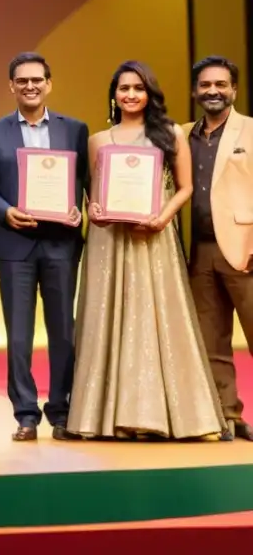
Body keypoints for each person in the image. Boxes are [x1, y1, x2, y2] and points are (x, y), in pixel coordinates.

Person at [67, 61, 227, 440]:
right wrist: (95, 211)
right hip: (108, 242)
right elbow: (94, 193)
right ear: (114, 94)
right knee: (109, 320)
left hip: (153, 238)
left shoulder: (169, 133)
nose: (131, 95)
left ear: (149, 93)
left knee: (154, 319)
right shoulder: (99, 140)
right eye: (123, 88)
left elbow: (185, 188)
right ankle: (107, 419)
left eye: (138, 88)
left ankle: (164, 417)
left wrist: (161, 218)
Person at [0, 53, 88, 441]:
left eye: (37, 80)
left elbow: (88, 181)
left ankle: (61, 411)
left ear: (49, 84)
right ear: (11, 86)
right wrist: (4, 211)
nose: (30, 86)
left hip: (61, 244)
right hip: (14, 245)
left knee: (63, 332)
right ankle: (25, 414)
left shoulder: (75, 130)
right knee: (19, 336)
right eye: (22, 80)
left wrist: (80, 212)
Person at [185, 55, 253, 441]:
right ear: (195, 91)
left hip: (246, 249)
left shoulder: (251, 131)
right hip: (200, 252)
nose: (213, 91)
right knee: (212, 340)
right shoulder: (182, 135)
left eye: (221, 84)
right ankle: (228, 415)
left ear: (234, 90)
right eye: (206, 85)